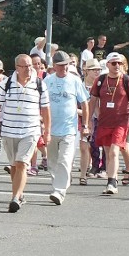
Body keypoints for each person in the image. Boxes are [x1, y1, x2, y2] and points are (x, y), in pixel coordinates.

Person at [0, 54, 50, 212]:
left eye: (31, 65)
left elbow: (46, 109)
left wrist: (47, 131)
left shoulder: (39, 84)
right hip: (9, 130)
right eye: (25, 66)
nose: (29, 69)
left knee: (22, 163)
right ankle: (19, 194)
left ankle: (15, 198)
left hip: (30, 131)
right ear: (17, 68)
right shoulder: (6, 84)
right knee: (14, 165)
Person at [87, 52, 129, 195]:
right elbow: (92, 101)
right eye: (114, 63)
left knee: (115, 152)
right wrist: (89, 121)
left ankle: (112, 183)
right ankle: (113, 178)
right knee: (109, 153)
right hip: (104, 122)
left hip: (121, 122)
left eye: (120, 63)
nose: (117, 66)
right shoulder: (101, 80)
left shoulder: (127, 81)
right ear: (108, 64)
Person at [44, 51, 90, 205]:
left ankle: (59, 191)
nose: (64, 68)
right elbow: (41, 102)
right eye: (61, 65)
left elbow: (84, 103)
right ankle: (59, 183)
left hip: (69, 129)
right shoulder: (47, 81)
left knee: (65, 160)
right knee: (52, 162)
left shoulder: (75, 81)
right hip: (51, 129)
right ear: (54, 66)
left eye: (66, 65)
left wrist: (85, 124)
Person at [78, 59, 104, 185]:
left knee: (96, 145)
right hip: (80, 119)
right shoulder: (80, 85)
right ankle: (85, 172)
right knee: (84, 147)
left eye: (99, 69)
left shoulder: (102, 85)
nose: (97, 72)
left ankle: (97, 168)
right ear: (86, 71)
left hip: (98, 119)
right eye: (94, 69)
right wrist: (85, 115)